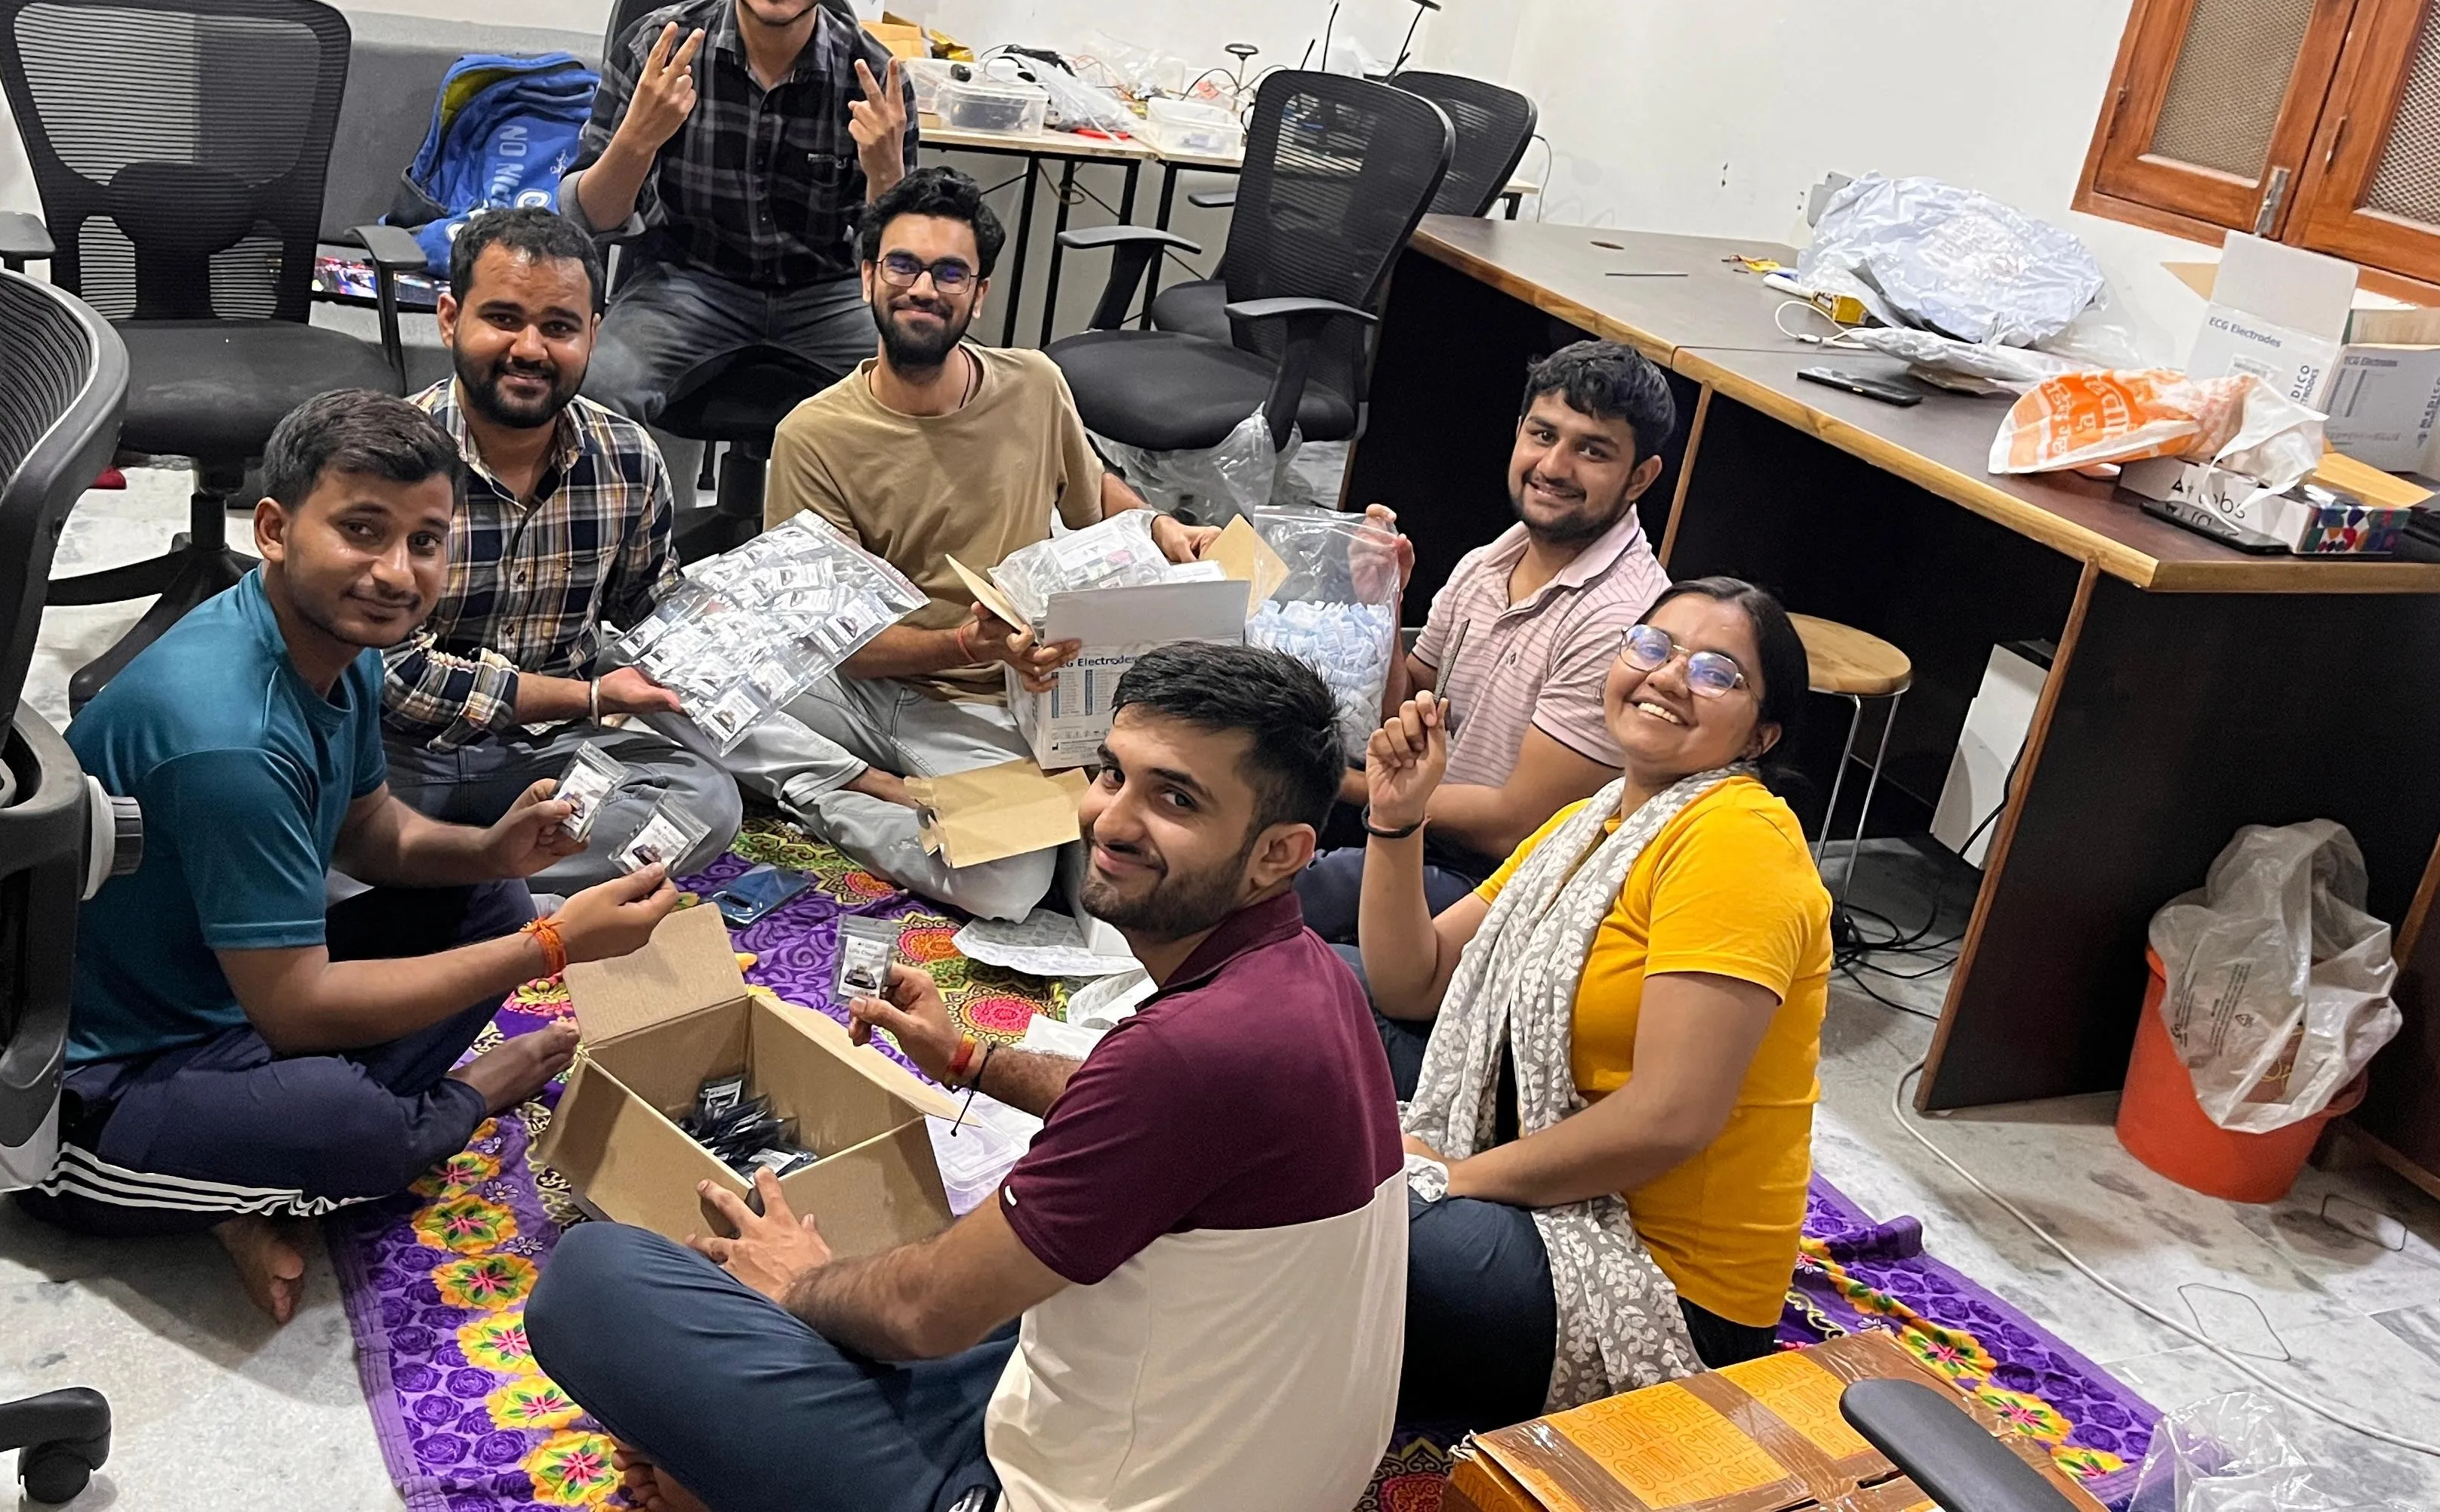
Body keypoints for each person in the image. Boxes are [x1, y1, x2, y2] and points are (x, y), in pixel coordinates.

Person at [527, 644, 1406, 1512]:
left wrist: (797, 1282)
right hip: (1208, 1450)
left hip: (1070, 1491)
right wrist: (964, 1061)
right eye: (1111, 775)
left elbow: (924, 1314)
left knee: (594, 1278)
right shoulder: (1307, 978)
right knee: (977, 1302)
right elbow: (1140, 1121)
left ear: (1280, 853)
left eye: (1175, 798)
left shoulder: (1188, 1055)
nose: (1111, 821)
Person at [25, 390, 683, 1323]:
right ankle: (335, 1147)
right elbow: (298, 1011)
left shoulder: (338, 642)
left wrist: (489, 849)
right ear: (274, 530)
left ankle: (242, 1179)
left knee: (491, 897)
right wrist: (551, 952)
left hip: (218, 994)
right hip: (93, 1089)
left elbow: (373, 831)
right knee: (359, 1130)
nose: (395, 573)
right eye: (362, 531)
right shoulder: (233, 741)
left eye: (424, 541)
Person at [1348, 577, 1833, 1430]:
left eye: (1718, 672)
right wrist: (1398, 819)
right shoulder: (1595, 818)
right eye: (1652, 647)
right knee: (1322, 1009)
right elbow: (1414, 982)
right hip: (1538, 1181)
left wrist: (1447, 1182)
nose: (1669, 677)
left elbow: (1670, 1119)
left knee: (1319, 1219)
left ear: (1762, 734)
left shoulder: (1738, 843)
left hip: (1656, 1288)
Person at [713, 167, 1217, 919]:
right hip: (874, 680)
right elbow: (843, 646)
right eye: (903, 266)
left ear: (979, 295)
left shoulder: (1035, 385)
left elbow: (1093, 494)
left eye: (950, 273)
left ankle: (824, 781)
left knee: (1059, 872)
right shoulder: (814, 437)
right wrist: (968, 643)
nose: (924, 288)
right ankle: (832, 784)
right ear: (867, 280)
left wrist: (1157, 525)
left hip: (1008, 697)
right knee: (660, 680)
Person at [381, 205, 742, 888]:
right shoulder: (389, 457)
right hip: (397, 755)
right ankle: (494, 887)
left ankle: (450, 888)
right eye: (504, 319)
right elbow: (397, 683)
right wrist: (591, 697)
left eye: (559, 327)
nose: (530, 349)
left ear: (592, 336)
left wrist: (730, 630)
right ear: (451, 318)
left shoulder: (628, 458)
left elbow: (650, 608)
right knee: (294, 815)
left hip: (547, 756)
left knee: (704, 802)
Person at [1298, 340, 1675, 944]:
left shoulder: (1619, 619)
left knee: (1302, 890)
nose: (1553, 467)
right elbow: (1406, 709)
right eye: (1543, 435)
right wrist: (1385, 604)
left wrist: (1330, 780)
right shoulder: (1490, 560)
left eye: (1592, 451)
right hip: (1418, 823)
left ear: (1640, 478)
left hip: (1500, 881)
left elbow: (1513, 825)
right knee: (1253, 821)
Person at [571, 0, 914, 436]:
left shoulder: (873, 77)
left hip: (828, 294)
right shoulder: (660, 49)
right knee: (592, 389)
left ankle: (850, 532)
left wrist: (887, 174)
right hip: (688, 282)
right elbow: (592, 220)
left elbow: (902, 258)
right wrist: (638, 138)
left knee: (937, 386)